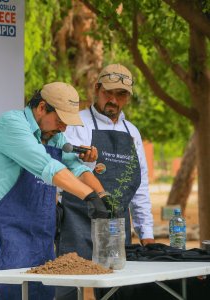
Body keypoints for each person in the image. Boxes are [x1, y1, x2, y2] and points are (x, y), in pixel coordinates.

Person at [0, 82, 111, 300]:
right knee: (17, 295)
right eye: (60, 121)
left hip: (41, 229)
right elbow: (48, 167)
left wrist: (103, 197)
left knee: (44, 294)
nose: (64, 129)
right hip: (7, 227)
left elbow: (74, 168)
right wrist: (89, 196)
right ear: (41, 108)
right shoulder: (11, 123)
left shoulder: (54, 136)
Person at [56, 64, 155, 299]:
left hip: (116, 223)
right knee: (69, 289)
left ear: (127, 98)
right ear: (96, 88)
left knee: (117, 290)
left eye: (120, 94)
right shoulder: (75, 123)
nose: (113, 99)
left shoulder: (133, 132)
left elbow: (139, 185)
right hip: (77, 220)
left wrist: (146, 232)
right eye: (107, 92)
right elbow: (63, 173)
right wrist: (89, 165)